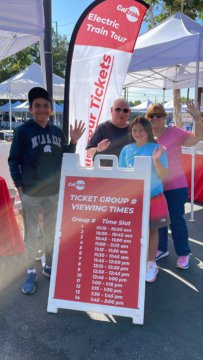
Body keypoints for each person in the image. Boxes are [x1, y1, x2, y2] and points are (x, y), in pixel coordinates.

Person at [8, 87, 85, 295]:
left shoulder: (57, 131)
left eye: (46, 106)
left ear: (51, 109)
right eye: (38, 106)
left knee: (51, 231)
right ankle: (30, 270)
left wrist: (74, 143)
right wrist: (19, 185)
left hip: (53, 192)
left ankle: (49, 265)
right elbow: (13, 159)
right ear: (32, 108)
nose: (42, 109)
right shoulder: (23, 131)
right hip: (31, 192)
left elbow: (64, 158)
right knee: (31, 234)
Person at [146, 101, 203, 269]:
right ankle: (161, 248)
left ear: (165, 117)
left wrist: (198, 119)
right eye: (151, 115)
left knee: (176, 221)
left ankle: (184, 253)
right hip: (156, 187)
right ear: (147, 118)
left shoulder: (174, 132)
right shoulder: (147, 136)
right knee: (159, 221)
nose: (155, 118)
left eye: (159, 115)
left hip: (176, 186)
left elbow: (195, 139)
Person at [119, 117, 170, 283]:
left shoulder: (158, 148)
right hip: (133, 198)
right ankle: (135, 262)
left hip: (154, 195)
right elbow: (121, 174)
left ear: (148, 130)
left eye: (141, 130)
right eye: (134, 130)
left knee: (152, 230)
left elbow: (164, 176)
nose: (138, 133)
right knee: (133, 232)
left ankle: (150, 263)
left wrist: (155, 160)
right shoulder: (126, 149)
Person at [86, 98, 131, 166]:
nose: (121, 113)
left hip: (128, 174)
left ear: (129, 112)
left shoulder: (134, 130)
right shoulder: (102, 128)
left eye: (125, 110)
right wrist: (98, 149)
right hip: (105, 174)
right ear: (111, 110)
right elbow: (89, 152)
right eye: (118, 109)